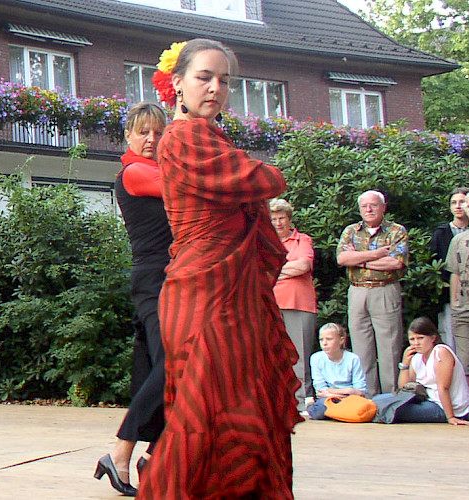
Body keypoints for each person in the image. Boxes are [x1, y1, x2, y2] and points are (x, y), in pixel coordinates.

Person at [138, 39, 297, 499]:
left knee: (232, 404)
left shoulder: (209, 136)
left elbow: (254, 179)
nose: (215, 88)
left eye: (224, 80)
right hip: (205, 290)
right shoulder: (185, 136)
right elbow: (262, 179)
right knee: (212, 407)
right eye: (204, 77)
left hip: (226, 287)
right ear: (178, 84)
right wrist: (262, 170)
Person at [98, 102, 171, 496]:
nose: (151, 139)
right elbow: (185, 185)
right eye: (143, 131)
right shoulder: (135, 172)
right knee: (175, 363)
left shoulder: (161, 168)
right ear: (128, 136)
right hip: (155, 281)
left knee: (155, 369)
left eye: (158, 132)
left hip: (174, 280)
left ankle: (157, 455)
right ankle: (122, 451)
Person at [337, 190, 409, 395]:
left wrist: (359, 259)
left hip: (384, 291)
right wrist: (376, 254)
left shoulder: (396, 231)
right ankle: (367, 396)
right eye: (364, 206)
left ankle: (392, 396)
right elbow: (342, 259)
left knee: (389, 347)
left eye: (373, 205)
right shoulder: (351, 231)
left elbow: (395, 262)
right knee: (361, 348)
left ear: (383, 207)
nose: (368, 209)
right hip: (357, 292)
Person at [371, 317, 469, 424]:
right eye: (412, 339)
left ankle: (372, 414)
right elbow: (404, 388)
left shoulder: (440, 352)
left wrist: (451, 417)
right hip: (427, 400)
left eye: (420, 338)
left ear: (433, 338)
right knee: (378, 399)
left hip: (444, 406)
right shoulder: (417, 357)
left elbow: (443, 387)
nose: (416, 343)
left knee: (393, 410)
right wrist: (405, 365)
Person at [271, 198, 318, 406]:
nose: (278, 222)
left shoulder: (303, 240)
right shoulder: (264, 241)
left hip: (299, 303)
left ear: (289, 219)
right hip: (269, 305)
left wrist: (275, 270)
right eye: (274, 219)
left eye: (282, 218)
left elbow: (304, 266)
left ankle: (300, 402)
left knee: (299, 355)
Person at [444, 189, 469, 399]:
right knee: (467, 361)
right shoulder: (459, 240)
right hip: (464, 309)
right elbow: (454, 273)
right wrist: (455, 302)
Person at [305, 323, 367, 420]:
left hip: (350, 400)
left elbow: (360, 391)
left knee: (363, 406)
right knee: (320, 409)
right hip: (329, 400)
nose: (324, 343)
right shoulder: (316, 358)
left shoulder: (353, 359)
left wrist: (332, 392)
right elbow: (320, 390)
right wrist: (348, 391)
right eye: (321, 339)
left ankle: (337, 413)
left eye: (329, 339)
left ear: (341, 340)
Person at [434, 187, 469, 347]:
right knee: (451, 338)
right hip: (450, 294)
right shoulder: (442, 232)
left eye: (461, 202)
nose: (457, 206)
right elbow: (436, 263)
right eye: (453, 202)